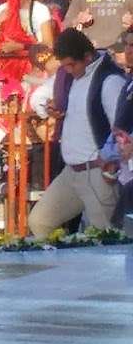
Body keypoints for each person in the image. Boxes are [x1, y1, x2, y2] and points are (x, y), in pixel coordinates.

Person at [27, 28, 127, 239]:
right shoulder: (70, 74)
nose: (68, 70)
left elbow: (122, 129)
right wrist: (49, 107)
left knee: (107, 240)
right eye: (65, 66)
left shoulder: (110, 81)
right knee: (39, 221)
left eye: (72, 65)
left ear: (88, 57)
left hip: (98, 173)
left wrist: (110, 167)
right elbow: (40, 97)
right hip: (71, 173)